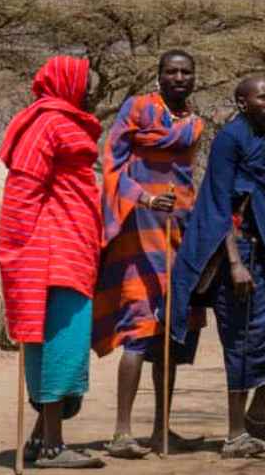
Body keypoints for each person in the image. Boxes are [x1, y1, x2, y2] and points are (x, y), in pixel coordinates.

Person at [169, 77, 265, 459]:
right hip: (235, 257)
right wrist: (235, 263)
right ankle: (235, 434)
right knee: (240, 341)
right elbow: (220, 204)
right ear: (242, 102)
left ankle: (256, 414)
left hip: (264, 252)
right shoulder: (230, 139)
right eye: (264, 97)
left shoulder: (257, 135)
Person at [91, 50, 205, 459]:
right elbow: (111, 165)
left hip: (179, 232)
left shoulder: (193, 122)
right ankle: (122, 432)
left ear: (194, 78)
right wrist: (143, 197)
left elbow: (187, 177)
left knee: (170, 334)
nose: (179, 77)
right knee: (138, 329)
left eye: (185, 71)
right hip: (138, 233)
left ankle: (161, 430)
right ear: (159, 77)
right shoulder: (137, 108)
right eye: (171, 71)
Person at [0, 56, 107, 469]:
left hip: (71, 246)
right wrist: (19, 250)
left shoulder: (65, 121)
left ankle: (40, 438)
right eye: (84, 83)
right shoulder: (46, 124)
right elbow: (23, 191)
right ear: (66, 83)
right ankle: (52, 447)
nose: (89, 91)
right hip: (51, 251)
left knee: (63, 343)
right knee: (63, 344)